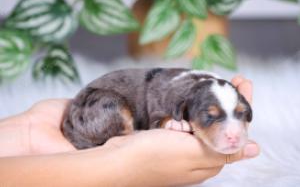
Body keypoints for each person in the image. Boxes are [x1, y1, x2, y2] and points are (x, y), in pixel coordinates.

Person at [0, 76, 259, 187]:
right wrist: (120, 166)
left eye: (240, 114)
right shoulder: (173, 104)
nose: (232, 132)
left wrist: (29, 130)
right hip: (103, 108)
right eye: (211, 118)